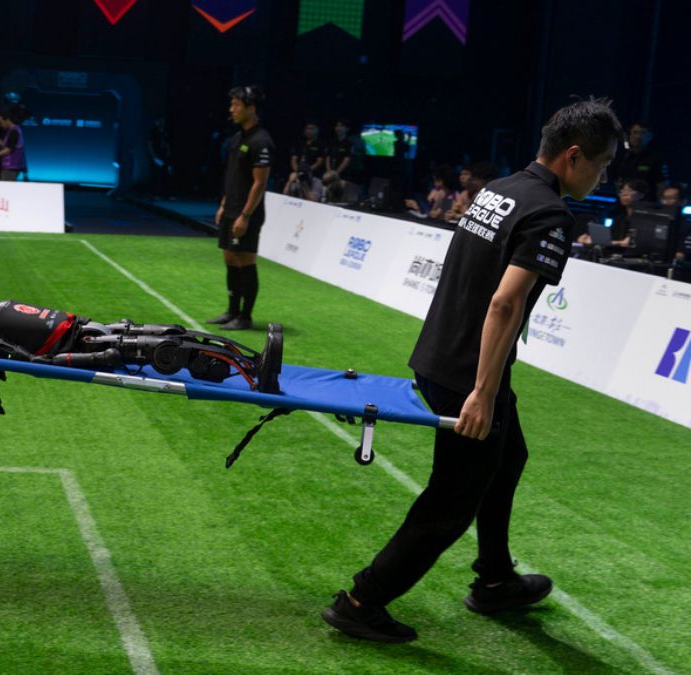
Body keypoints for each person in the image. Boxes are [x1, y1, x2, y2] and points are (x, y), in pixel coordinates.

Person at [322, 98, 622, 643]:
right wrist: (482, 392)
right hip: (468, 375)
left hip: (441, 355)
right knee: (451, 500)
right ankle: (362, 601)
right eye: (601, 165)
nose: (602, 177)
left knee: (508, 457)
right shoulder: (550, 215)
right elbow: (504, 304)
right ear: (574, 156)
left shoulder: (500, 189)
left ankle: (495, 579)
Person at [207, 85, 273, 331]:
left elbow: (259, 183)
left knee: (245, 261)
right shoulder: (238, 138)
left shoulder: (261, 141)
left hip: (247, 213)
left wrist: (245, 216)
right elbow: (233, 176)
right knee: (229, 258)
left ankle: (245, 316)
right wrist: (224, 204)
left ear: (251, 108)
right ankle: (232, 311)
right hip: (231, 209)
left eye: (236, 105)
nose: (231, 109)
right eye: (231, 104)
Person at [613, 122, 667, 198]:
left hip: (647, 201)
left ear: (650, 137)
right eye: (635, 132)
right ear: (629, 135)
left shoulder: (656, 159)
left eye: (642, 133)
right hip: (624, 200)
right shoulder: (621, 156)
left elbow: (662, 184)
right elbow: (616, 180)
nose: (638, 136)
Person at [0, 111, 26, 181]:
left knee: (5, 187)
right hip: (10, 166)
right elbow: (5, 144)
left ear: (7, 120)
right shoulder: (12, 130)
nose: (0, 125)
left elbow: (8, 150)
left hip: (11, 167)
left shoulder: (14, 131)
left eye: (1, 122)